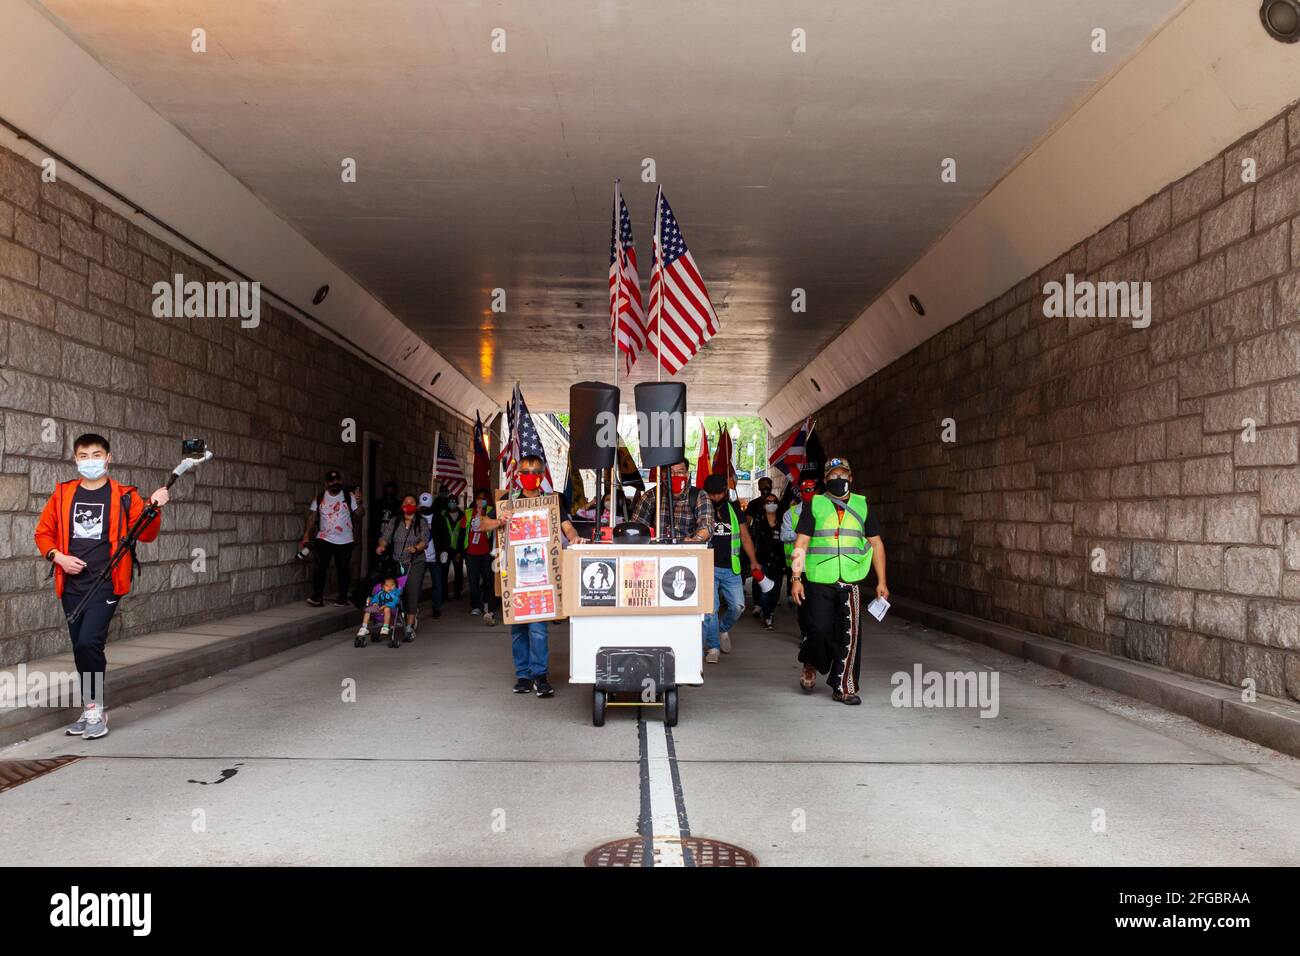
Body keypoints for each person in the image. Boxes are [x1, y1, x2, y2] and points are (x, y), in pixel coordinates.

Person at [34, 433, 170, 740]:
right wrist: (59, 558)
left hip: (106, 582)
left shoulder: (124, 496)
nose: (90, 461)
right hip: (71, 584)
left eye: (96, 455)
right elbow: (43, 534)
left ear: (108, 459)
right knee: (80, 648)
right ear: (75, 460)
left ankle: (95, 708)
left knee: (88, 644)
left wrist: (155, 507)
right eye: (83, 456)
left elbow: (146, 534)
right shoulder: (63, 494)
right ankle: (89, 707)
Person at [477, 456, 586, 697]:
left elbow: (567, 526)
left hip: (543, 574)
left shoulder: (553, 501)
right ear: (518, 475)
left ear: (542, 474)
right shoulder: (508, 501)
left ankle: (540, 675)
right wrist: (499, 521)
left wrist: (574, 536)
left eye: (536, 471)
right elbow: (482, 524)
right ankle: (523, 675)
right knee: (518, 629)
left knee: (538, 629)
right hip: (515, 576)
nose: (531, 474)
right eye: (526, 471)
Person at [790, 458, 889, 704]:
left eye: (842, 475)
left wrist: (882, 582)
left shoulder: (862, 505)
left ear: (851, 478)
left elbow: (876, 544)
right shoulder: (815, 505)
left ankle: (844, 686)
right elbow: (801, 543)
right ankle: (811, 659)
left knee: (849, 634)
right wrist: (796, 578)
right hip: (819, 579)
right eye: (833, 476)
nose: (838, 479)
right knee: (819, 631)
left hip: (850, 579)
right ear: (825, 480)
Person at [701, 474, 763, 663]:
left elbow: (744, 536)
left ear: (725, 492)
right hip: (708, 566)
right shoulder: (702, 510)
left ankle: (723, 628)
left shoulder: (735, 511)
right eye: (712, 494)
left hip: (731, 567)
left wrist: (753, 560)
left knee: (738, 606)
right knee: (710, 609)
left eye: (719, 493)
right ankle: (713, 648)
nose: (716, 498)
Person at [301, 469, 362, 607]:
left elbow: (359, 514)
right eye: (332, 481)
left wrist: (359, 502)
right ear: (326, 483)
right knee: (320, 568)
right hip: (324, 538)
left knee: (343, 569)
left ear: (341, 481)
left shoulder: (348, 496)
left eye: (337, 480)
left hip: (345, 540)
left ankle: (342, 598)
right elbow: (312, 516)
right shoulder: (320, 497)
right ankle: (317, 596)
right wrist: (306, 535)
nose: (335, 483)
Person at [376, 494, 429, 640]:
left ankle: (410, 625)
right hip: (397, 562)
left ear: (416, 506)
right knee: (396, 592)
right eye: (406, 502)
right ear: (402, 506)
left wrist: (416, 548)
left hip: (415, 562)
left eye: (412, 502)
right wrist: (381, 546)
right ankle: (392, 619)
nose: (408, 504)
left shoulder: (421, 522)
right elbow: (385, 537)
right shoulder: (395, 521)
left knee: (411, 591)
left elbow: (425, 540)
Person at [631, 459, 711, 545]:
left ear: (687, 474)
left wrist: (695, 540)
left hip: (687, 553)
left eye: (680, 472)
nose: (675, 475)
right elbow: (636, 529)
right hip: (658, 551)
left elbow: (706, 525)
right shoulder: (651, 496)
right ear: (663, 475)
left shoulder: (699, 495)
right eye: (670, 472)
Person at [781, 477, 820, 639]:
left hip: (820, 565)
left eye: (811, 490)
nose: (809, 494)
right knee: (803, 603)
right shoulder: (791, 513)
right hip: (800, 565)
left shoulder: (826, 510)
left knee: (818, 603)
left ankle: (816, 633)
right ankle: (806, 634)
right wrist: (802, 532)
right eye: (806, 491)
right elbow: (784, 535)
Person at [750, 491, 786, 629]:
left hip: (778, 561)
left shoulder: (783, 521)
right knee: (766, 589)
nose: (771, 504)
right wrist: (753, 561)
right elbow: (752, 541)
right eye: (768, 502)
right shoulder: (758, 522)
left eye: (774, 502)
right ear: (764, 505)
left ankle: (770, 610)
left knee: (775, 592)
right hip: (762, 561)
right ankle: (768, 615)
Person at [465, 487, 498, 625]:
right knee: (473, 581)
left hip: (485, 552)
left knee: (488, 580)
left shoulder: (491, 511)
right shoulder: (468, 513)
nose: (481, 501)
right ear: (475, 500)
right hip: (471, 552)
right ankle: (476, 606)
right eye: (479, 498)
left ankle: (488, 604)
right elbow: (463, 530)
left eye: (484, 499)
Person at [358, 563, 403, 640]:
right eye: (387, 585)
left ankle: (385, 627)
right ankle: (364, 627)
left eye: (392, 585)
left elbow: (395, 601)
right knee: (368, 610)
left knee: (387, 608)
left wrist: (385, 606)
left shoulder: (395, 593)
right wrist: (375, 603)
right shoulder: (380, 593)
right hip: (379, 608)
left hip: (392, 609)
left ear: (395, 586)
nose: (390, 587)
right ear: (382, 587)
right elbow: (375, 598)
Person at [439, 494, 467, 601]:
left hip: (457, 549)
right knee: (444, 572)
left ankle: (458, 592)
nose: (452, 503)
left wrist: (461, 551)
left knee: (458, 571)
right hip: (445, 549)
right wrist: (441, 550)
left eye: (454, 501)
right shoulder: (443, 515)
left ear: (457, 503)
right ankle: (444, 594)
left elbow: (463, 534)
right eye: (450, 501)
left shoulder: (462, 515)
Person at [371, 480, 401, 551]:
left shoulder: (398, 504)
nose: (389, 492)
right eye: (388, 490)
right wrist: (372, 535)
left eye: (391, 490)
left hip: (393, 535)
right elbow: (373, 519)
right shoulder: (378, 503)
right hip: (379, 533)